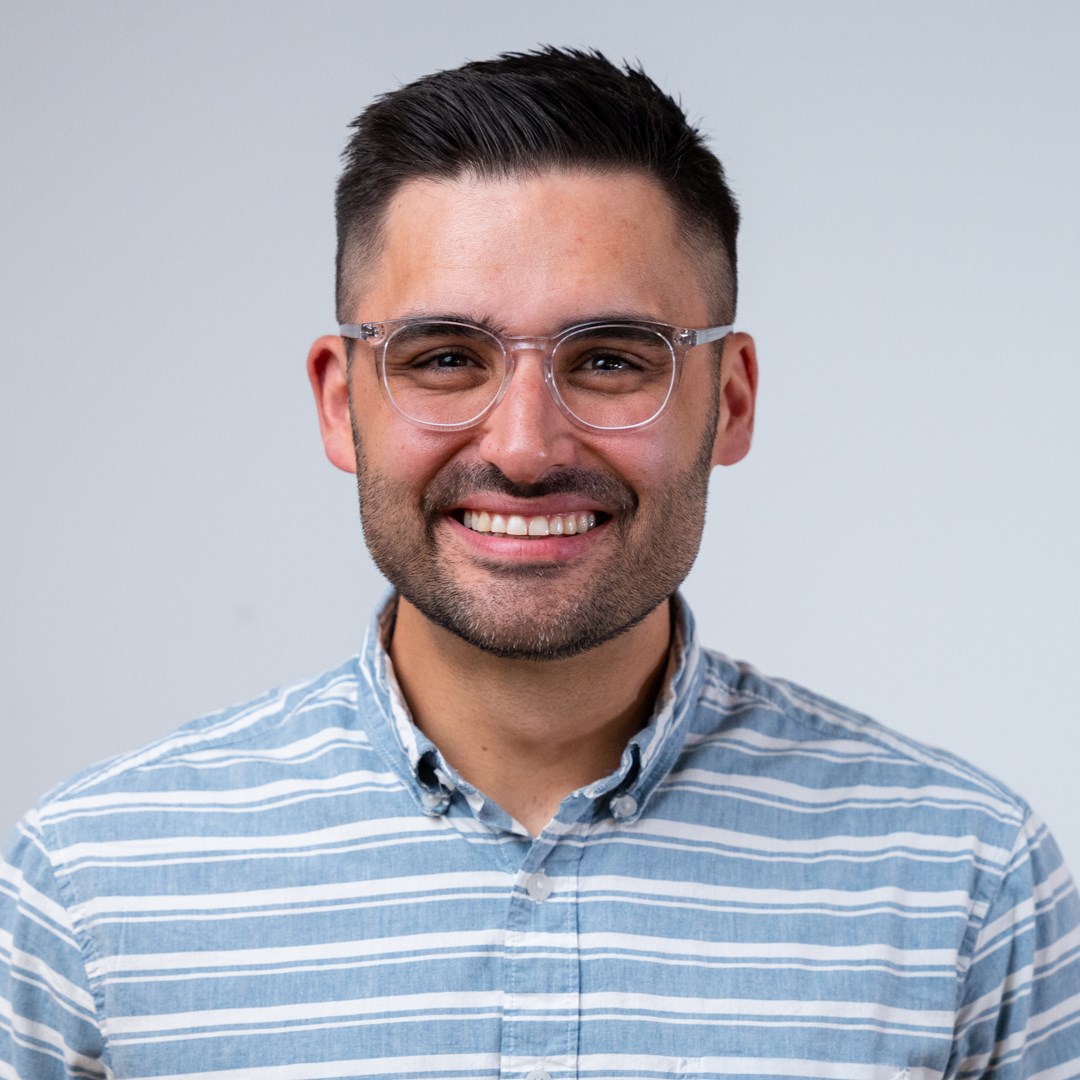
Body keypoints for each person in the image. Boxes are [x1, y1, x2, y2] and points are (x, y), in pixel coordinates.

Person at [2, 46, 1078, 1080]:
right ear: (339, 402)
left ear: (732, 399)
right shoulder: (93, 892)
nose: (524, 449)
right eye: (445, 359)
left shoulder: (969, 888)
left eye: (609, 360)